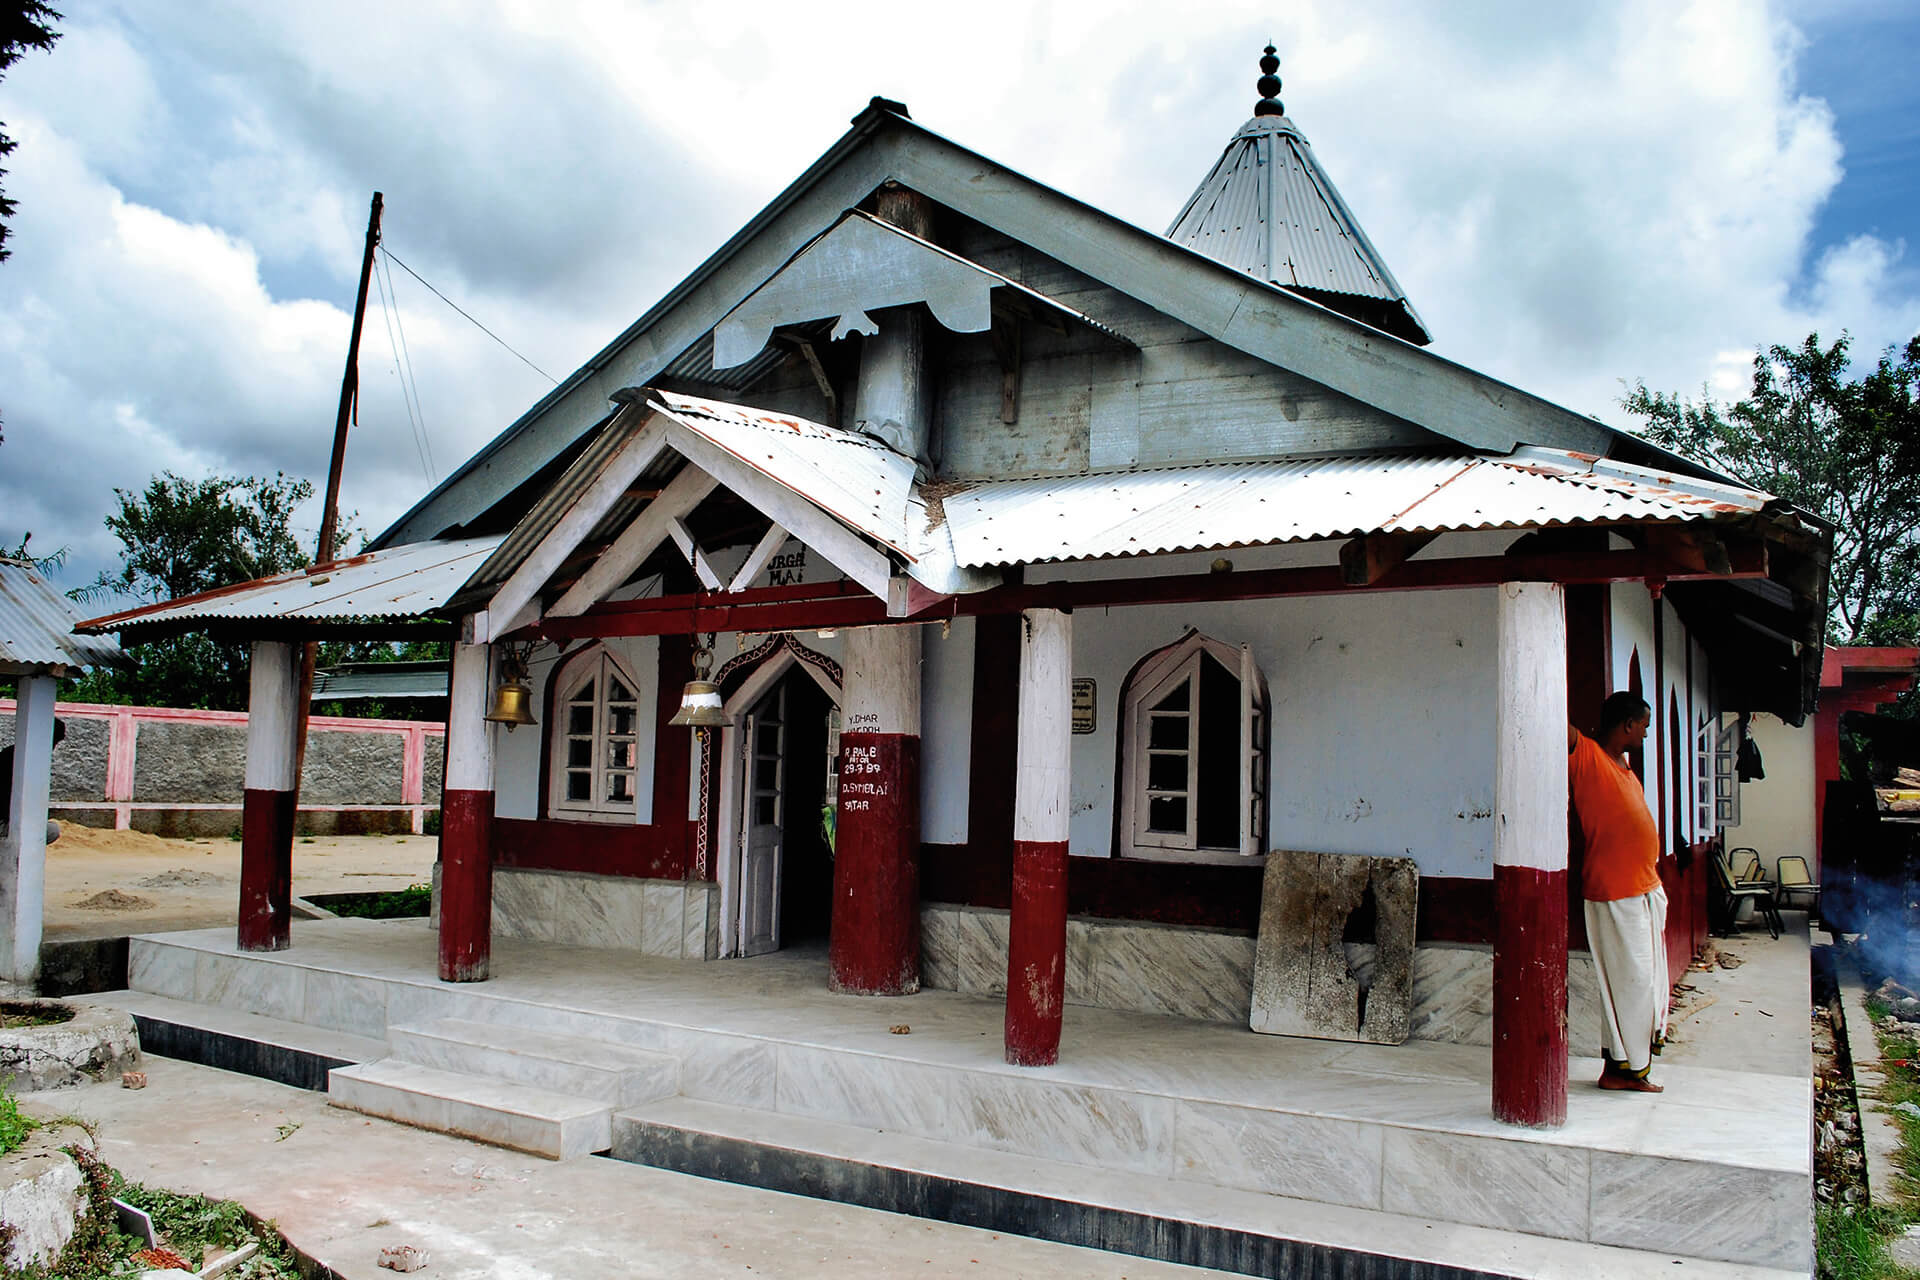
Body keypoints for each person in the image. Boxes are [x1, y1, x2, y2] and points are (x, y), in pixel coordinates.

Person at [1567, 692, 1666, 1093]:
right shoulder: (1587, 755)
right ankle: (1628, 1071)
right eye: (1643, 724)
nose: (1645, 732)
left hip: (1641, 888)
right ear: (1627, 725)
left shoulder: (1623, 766)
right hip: (1615, 892)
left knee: (1639, 984)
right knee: (1631, 984)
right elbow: (1556, 725)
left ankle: (1620, 1070)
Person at [0, 716, 67, 846]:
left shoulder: (13, 752)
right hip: (6, 820)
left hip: (11, 817)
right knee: (51, 830)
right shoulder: (23, 757)